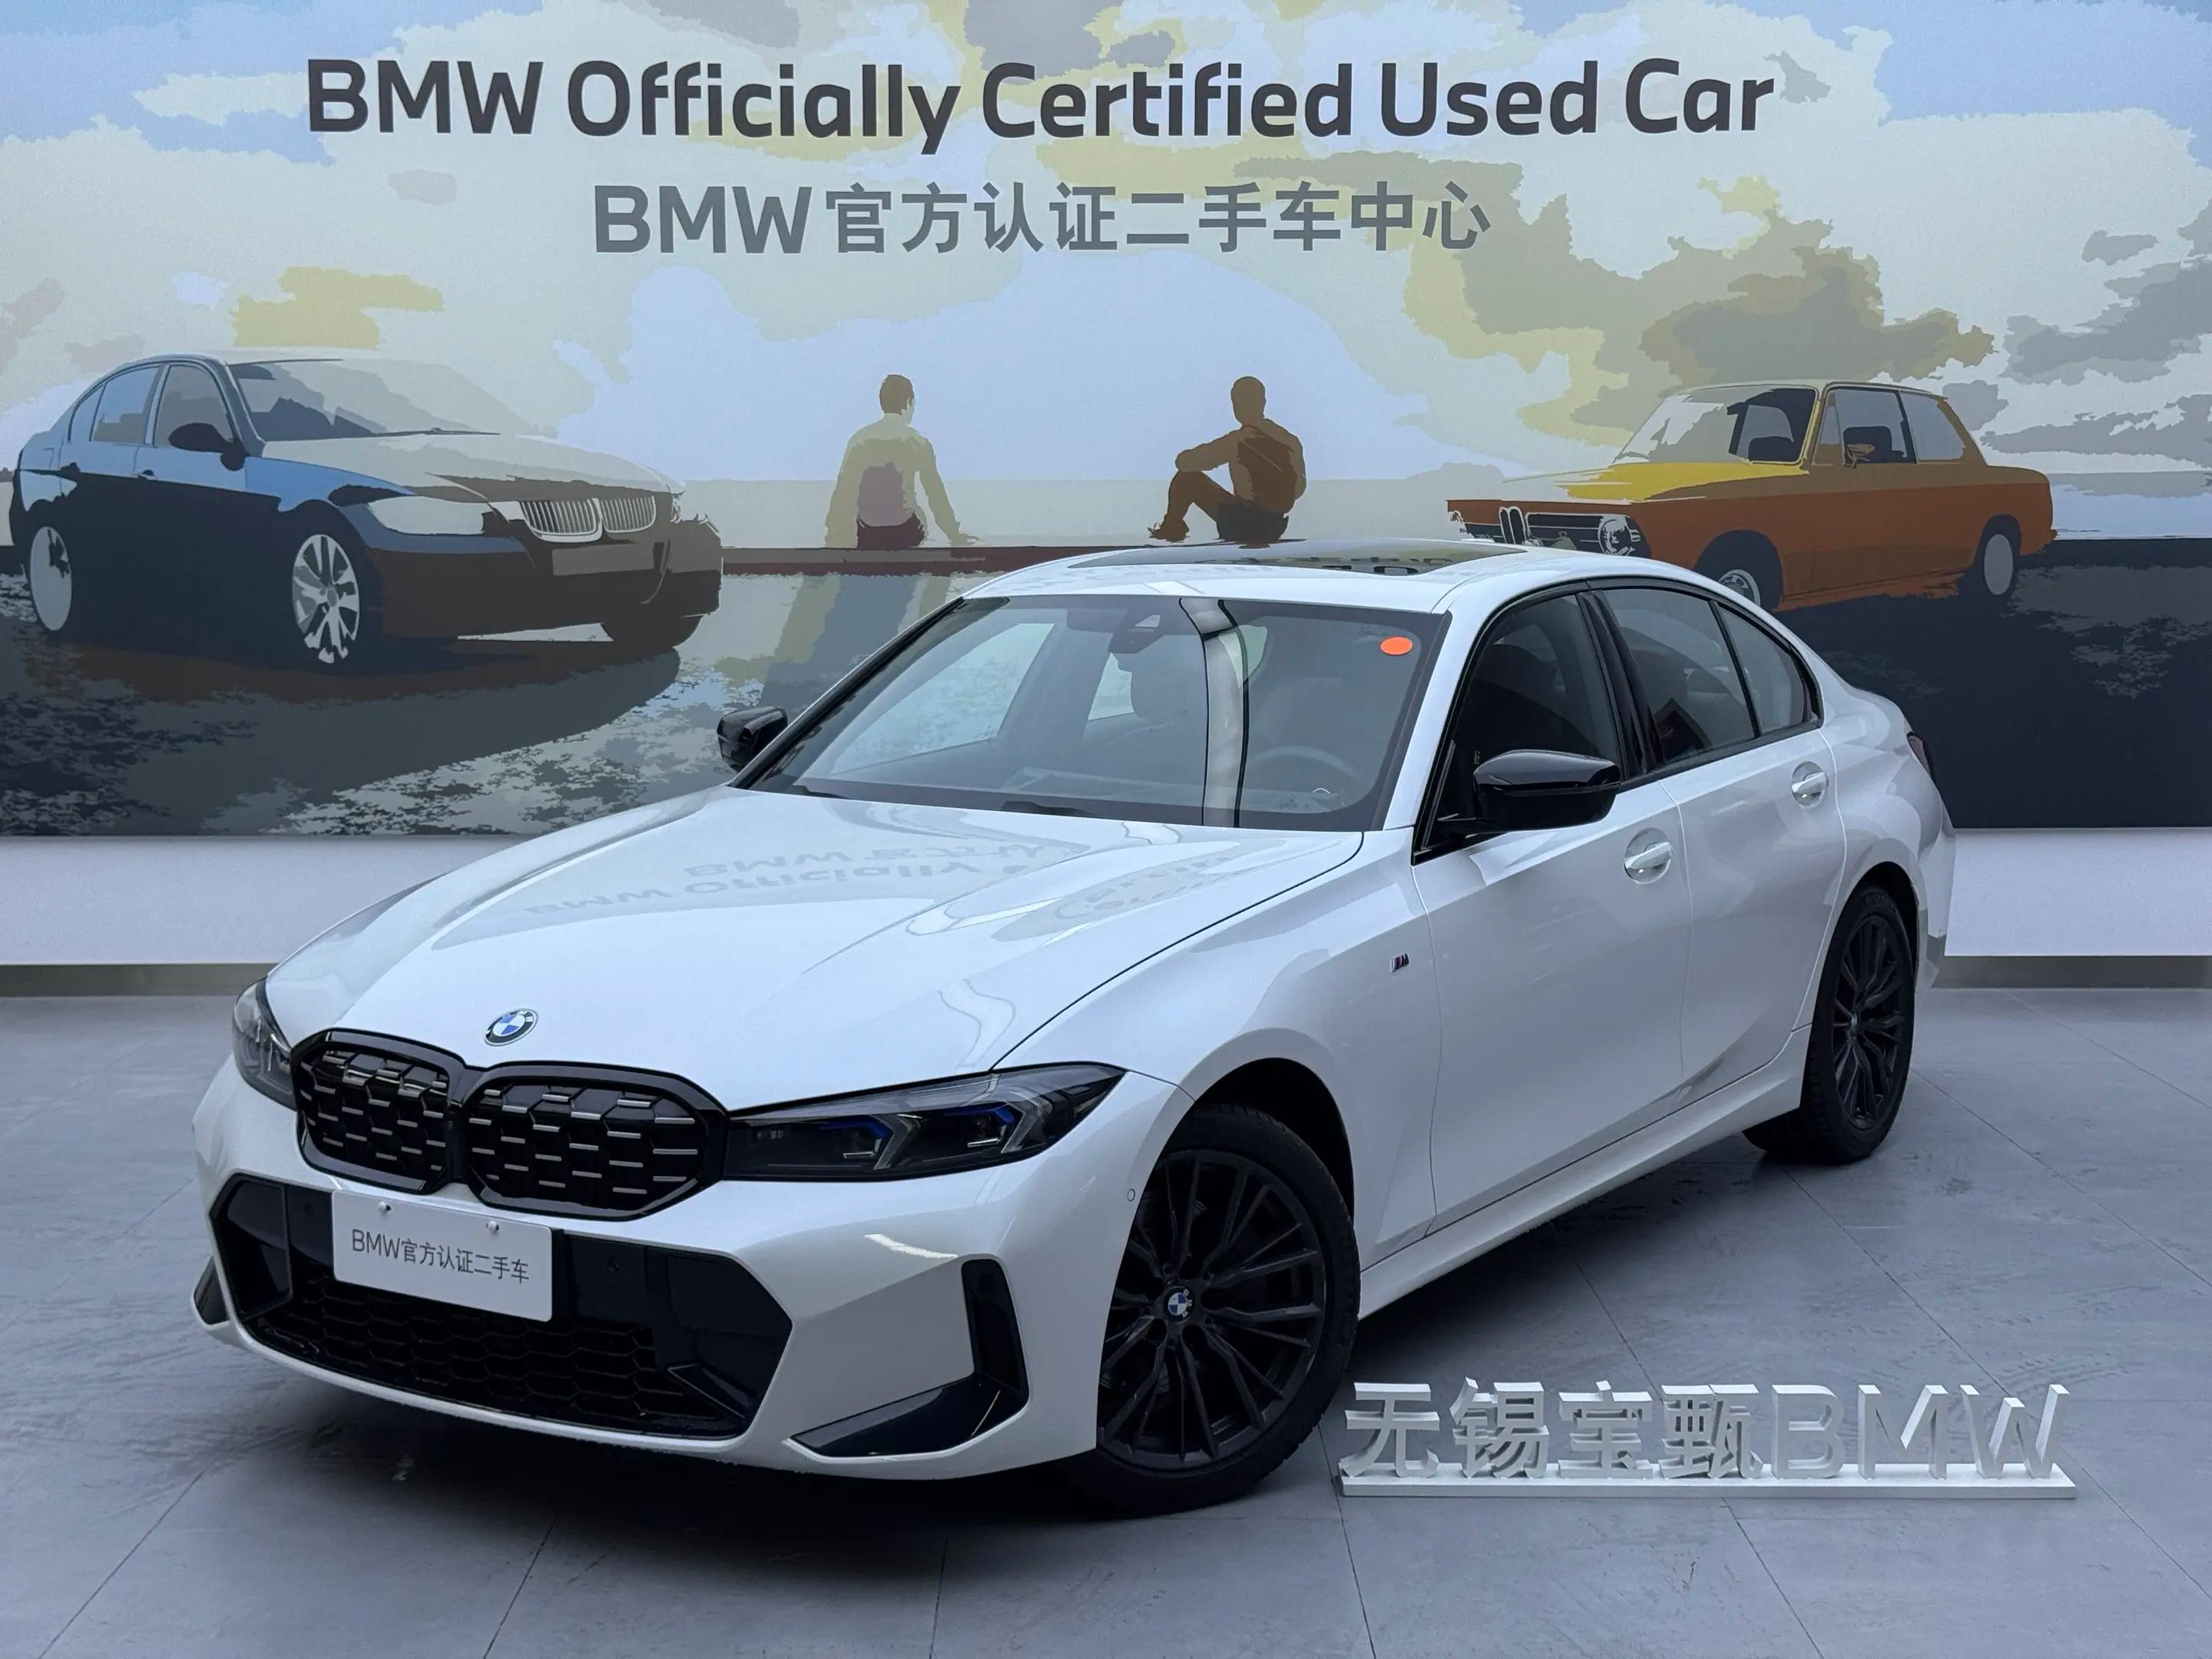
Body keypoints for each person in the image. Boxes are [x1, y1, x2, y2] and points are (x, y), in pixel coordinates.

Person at [1149, 376, 1305, 545]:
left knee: (1187, 479)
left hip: (1244, 523)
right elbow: (1299, 488)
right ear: (1263, 402)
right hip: (1275, 526)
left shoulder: (1239, 441)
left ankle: (1171, 529)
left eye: (1239, 402)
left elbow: (1184, 463)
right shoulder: (1291, 441)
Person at [824, 374, 974, 549]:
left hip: (869, 533)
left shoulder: (859, 441)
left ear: (882, 402)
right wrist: (954, 534)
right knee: (917, 513)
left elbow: (843, 492)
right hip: (906, 532)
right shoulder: (918, 443)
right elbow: (935, 494)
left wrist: (832, 535)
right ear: (909, 403)